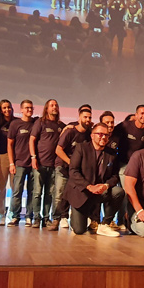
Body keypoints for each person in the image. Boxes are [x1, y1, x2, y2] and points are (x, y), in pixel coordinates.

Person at [64, 123, 124, 236]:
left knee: (118, 192)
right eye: (100, 134)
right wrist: (89, 186)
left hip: (100, 192)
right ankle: (79, 215)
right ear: (92, 135)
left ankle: (105, 224)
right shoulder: (81, 148)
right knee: (79, 230)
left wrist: (105, 185)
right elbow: (73, 171)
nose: (104, 137)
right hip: (82, 192)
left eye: (106, 135)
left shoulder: (112, 153)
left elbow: (115, 176)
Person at [48, 108, 93, 231]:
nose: (87, 120)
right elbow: (58, 150)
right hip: (63, 167)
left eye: (89, 117)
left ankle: (69, 218)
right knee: (59, 194)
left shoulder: (89, 135)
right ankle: (56, 219)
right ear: (79, 117)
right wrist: (71, 163)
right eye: (85, 117)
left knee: (75, 194)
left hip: (77, 172)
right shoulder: (70, 132)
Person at [113, 105, 144, 229]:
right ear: (136, 115)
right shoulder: (124, 126)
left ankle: (131, 222)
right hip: (125, 165)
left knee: (137, 193)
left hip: (142, 168)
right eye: (142, 113)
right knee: (127, 193)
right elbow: (111, 136)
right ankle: (121, 221)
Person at [29, 99, 65, 228]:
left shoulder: (61, 125)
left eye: (56, 105)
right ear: (46, 108)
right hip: (40, 163)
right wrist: (33, 157)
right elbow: (32, 139)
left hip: (54, 165)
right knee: (37, 192)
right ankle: (36, 218)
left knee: (50, 194)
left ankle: (46, 218)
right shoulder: (40, 122)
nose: (54, 107)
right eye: (52, 105)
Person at [7, 100, 35, 226]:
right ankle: (15, 216)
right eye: (27, 108)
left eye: (31, 108)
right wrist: (11, 163)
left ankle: (29, 216)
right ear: (21, 110)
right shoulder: (15, 124)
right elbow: (10, 144)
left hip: (34, 164)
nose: (29, 110)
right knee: (17, 191)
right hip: (19, 163)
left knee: (32, 192)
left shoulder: (36, 123)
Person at [0, 99, 14, 226]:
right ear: (0, 110)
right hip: (0, 157)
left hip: (15, 158)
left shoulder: (17, 121)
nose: (7, 110)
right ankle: (1, 215)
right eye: (4, 108)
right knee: (0, 188)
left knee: (15, 188)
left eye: (9, 107)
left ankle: (12, 214)